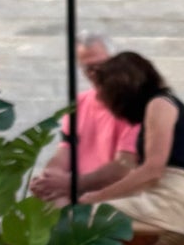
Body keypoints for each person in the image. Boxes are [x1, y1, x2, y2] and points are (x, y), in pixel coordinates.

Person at [81, 52, 184, 244]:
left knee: (78, 219)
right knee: (85, 216)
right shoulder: (161, 104)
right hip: (170, 202)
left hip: (167, 204)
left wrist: (98, 196)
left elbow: (152, 171)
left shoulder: (159, 104)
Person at [30, 31, 139, 205]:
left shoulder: (134, 104)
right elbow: (64, 152)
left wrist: (69, 184)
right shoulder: (79, 104)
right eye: (88, 68)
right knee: (51, 201)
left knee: (62, 208)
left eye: (102, 65)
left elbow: (123, 168)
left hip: (117, 195)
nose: (96, 73)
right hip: (79, 190)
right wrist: (49, 178)